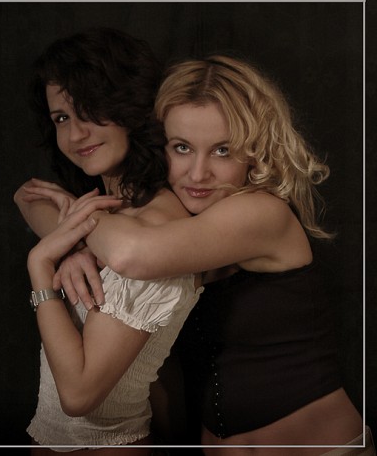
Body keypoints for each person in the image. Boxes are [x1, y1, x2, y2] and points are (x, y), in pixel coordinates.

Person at [22, 54, 374, 455]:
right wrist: (72, 245)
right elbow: (27, 199)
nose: (198, 173)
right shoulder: (177, 222)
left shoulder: (262, 213)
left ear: (255, 151)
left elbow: (130, 254)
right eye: (182, 147)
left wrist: (65, 241)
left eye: (223, 150)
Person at [13, 27, 203, 454]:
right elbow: (26, 196)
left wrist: (42, 266)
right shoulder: (107, 210)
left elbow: (78, 396)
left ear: (131, 106)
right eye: (62, 118)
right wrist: (75, 247)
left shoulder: (156, 224)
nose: (76, 134)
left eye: (90, 109)